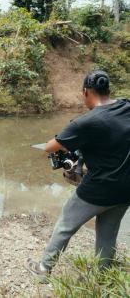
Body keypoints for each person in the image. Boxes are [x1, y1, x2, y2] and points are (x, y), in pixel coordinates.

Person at [26, 70, 130, 281]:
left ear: (85, 92)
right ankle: (104, 275)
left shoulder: (86, 122)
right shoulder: (127, 106)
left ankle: (43, 269)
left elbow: (49, 147)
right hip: (125, 189)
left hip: (97, 189)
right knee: (108, 233)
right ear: (108, 90)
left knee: (65, 225)